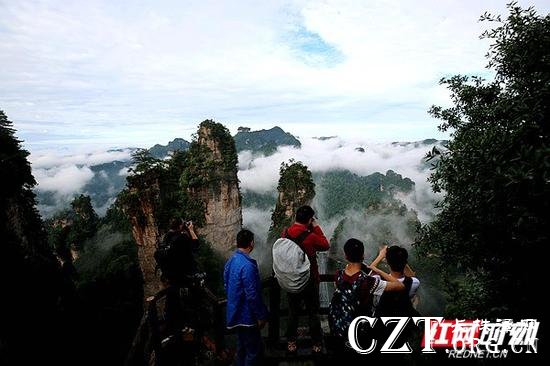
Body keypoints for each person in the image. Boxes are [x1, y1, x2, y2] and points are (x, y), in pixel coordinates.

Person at [328, 239, 404, 358]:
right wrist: (377, 268)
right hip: (359, 331)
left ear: (345, 256)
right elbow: (400, 286)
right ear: (363, 255)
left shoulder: (338, 275)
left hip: (338, 327)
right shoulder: (368, 281)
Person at [282, 205, 329, 354]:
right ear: (309, 220)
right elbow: (325, 245)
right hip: (309, 280)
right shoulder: (311, 236)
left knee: (293, 312)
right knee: (313, 313)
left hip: (291, 279)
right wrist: (316, 227)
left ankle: (291, 342)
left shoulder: (285, 233)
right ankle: (316, 344)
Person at [224, 229, 268, 366]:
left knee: (242, 347)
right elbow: (252, 294)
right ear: (251, 243)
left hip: (235, 312)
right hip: (247, 315)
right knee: (252, 351)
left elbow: (226, 284)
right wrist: (261, 315)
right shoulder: (248, 266)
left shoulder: (231, 261)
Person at [370, 245, 420, 316]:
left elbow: (368, 275)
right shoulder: (414, 283)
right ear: (404, 262)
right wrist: (400, 257)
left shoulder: (379, 281)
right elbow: (411, 276)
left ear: (387, 261)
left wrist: (380, 255)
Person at [158, 218, 200, 287]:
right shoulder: (181, 238)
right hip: (185, 274)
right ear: (180, 226)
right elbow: (196, 245)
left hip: (171, 275)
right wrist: (191, 230)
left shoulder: (167, 236)